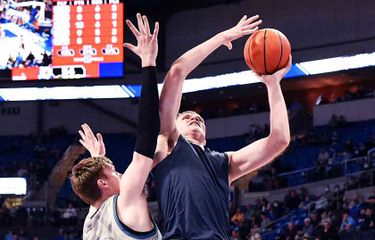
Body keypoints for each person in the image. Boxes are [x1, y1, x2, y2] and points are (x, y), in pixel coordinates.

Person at [152, 14, 291, 239]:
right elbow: (177, 72)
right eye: (186, 116)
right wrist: (221, 37)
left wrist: (273, 85)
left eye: (200, 119)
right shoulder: (167, 143)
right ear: (173, 124)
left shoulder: (223, 163)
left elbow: (279, 141)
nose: (195, 118)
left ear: (206, 136)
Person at [70, 14, 162, 239]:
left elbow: (96, 192)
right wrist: (148, 63)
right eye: (115, 172)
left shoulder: (90, 223)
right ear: (102, 183)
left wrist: (98, 158)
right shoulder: (126, 202)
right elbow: (147, 133)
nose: (121, 174)